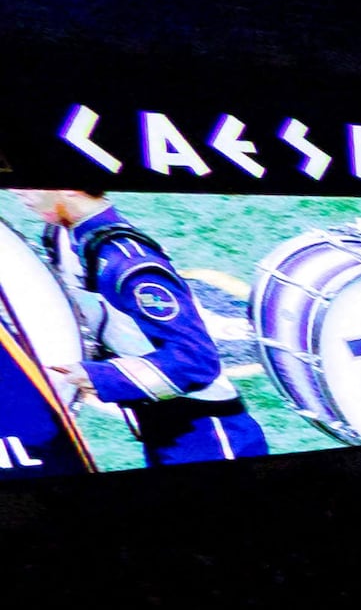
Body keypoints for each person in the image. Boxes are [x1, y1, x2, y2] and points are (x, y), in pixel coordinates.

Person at [16, 186, 266, 459]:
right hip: (155, 422)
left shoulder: (127, 262)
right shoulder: (61, 235)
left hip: (208, 432)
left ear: (70, 190)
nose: (18, 193)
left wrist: (99, 375)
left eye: (30, 185)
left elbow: (196, 360)